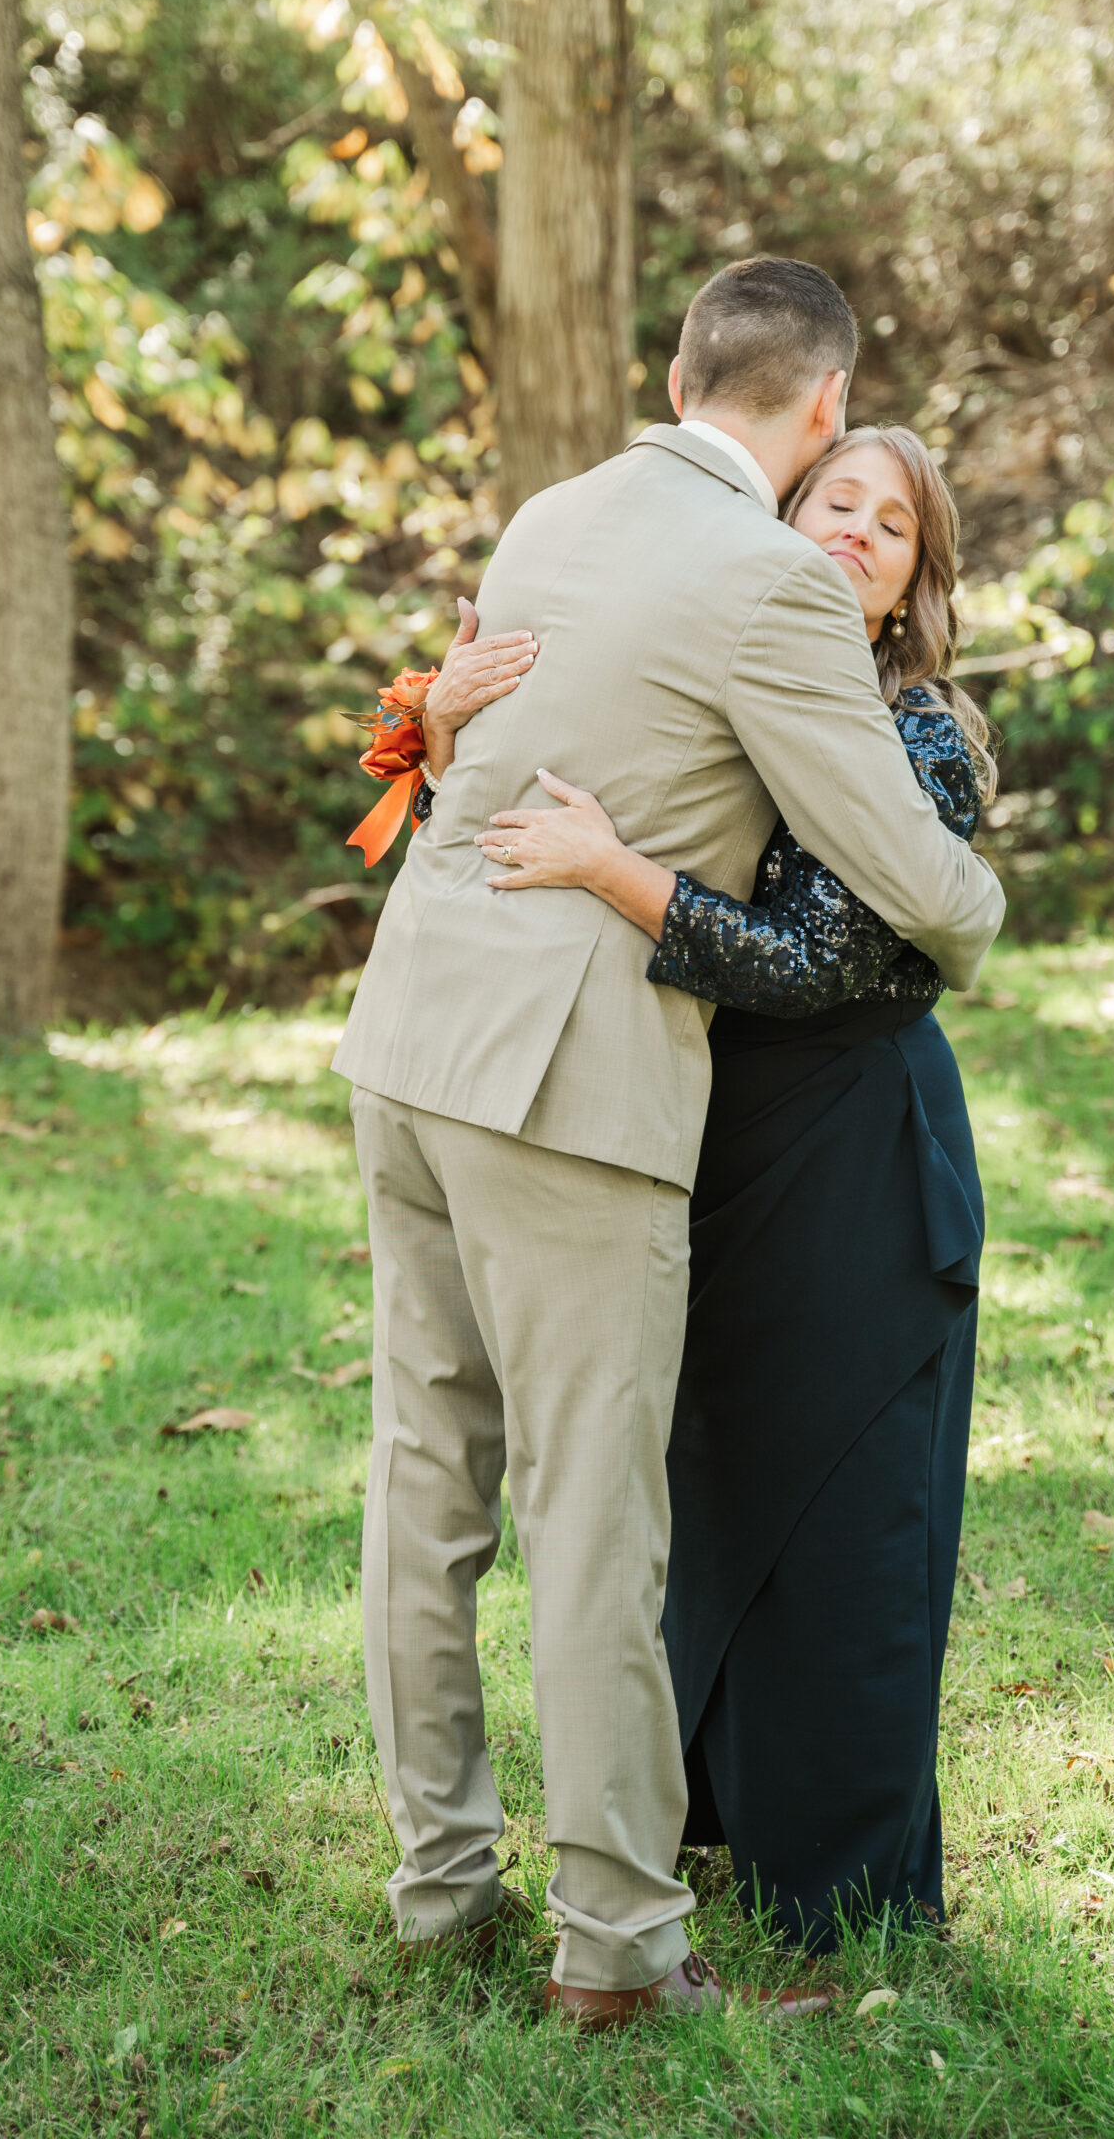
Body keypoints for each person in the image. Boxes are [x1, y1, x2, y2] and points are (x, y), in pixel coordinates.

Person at [331, 258, 1005, 2027]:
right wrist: (983, 905)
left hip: (409, 1034)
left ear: (683, 369)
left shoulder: (555, 510)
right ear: (825, 407)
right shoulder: (773, 582)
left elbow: (489, 737)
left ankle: (438, 1883)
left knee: (426, 1483)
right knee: (593, 1511)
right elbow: (913, 876)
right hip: (566, 1079)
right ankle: (622, 1948)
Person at [475, 425, 990, 1953]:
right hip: (711, 1134)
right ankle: (732, 1820)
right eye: (834, 501)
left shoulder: (920, 736)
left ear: (910, 586)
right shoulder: (731, 679)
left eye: (892, 527)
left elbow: (827, 962)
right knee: (718, 1485)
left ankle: (851, 1890)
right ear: (773, 521)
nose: (857, 533)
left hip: (851, 1145)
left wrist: (611, 870)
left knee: (844, 1508)